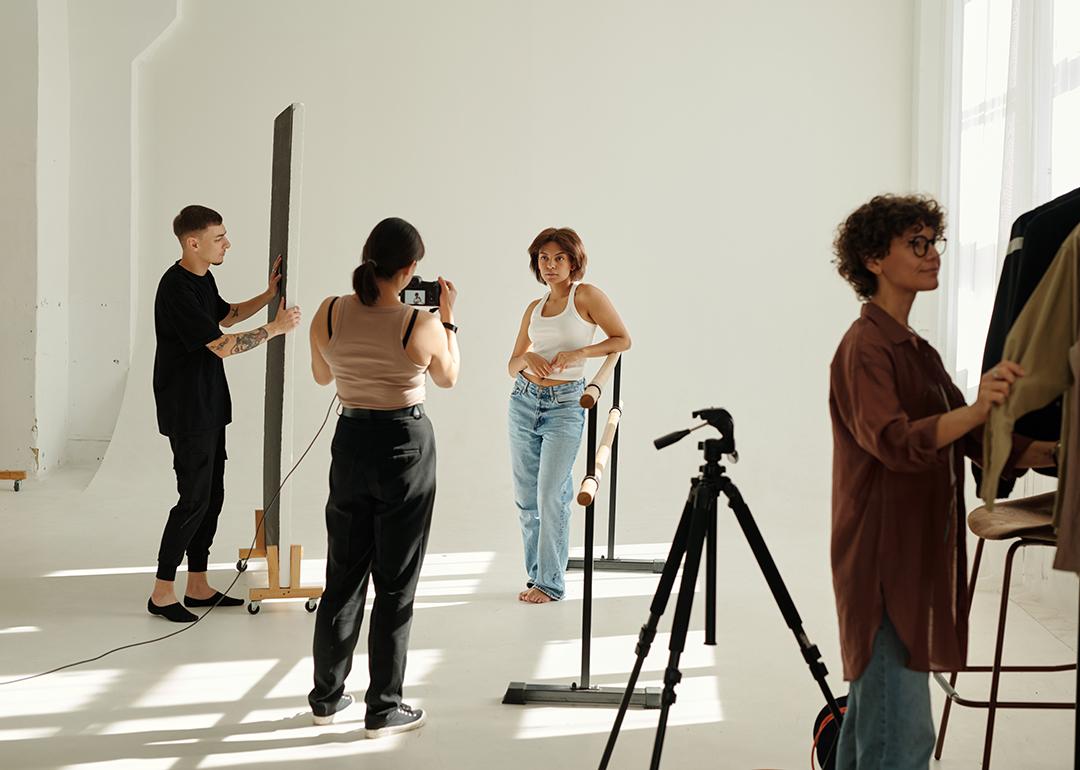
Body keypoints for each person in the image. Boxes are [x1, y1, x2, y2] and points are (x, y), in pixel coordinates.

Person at [828, 194, 1057, 768]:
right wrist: (980, 409)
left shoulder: (917, 351)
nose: (933, 256)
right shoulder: (865, 349)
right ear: (875, 259)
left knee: (870, 731)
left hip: (915, 553)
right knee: (900, 741)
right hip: (883, 560)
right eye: (918, 244)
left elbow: (974, 440)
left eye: (936, 243)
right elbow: (896, 441)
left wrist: (1053, 450)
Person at [307, 217, 459, 737]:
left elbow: (323, 374)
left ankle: (327, 697)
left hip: (350, 443)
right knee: (395, 584)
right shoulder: (421, 324)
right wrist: (448, 320)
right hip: (404, 448)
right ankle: (383, 706)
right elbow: (448, 376)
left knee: (343, 578)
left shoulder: (329, 312)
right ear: (412, 268)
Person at [149, 205, 301, 623]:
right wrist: (277, 328)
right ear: (192, 242)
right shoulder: (176, 289)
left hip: (210, 403)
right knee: (193, 499)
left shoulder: (202, 277)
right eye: (219, 238)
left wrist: (268, 297)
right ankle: (162, 591)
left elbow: (226, 313)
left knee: (212, 497)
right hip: (188, 408)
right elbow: (222, 345)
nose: (227, 244)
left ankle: (197, 584)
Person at [506, 227, 631, 604]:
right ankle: (538, 576)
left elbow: (621, 339)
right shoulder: (534, 307)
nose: (550, 265)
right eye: (544, 258)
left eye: (559, 258)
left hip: (565, 404)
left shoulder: (587, 295)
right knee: (527, 497)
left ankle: (550, 583)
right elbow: (511, 365)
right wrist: (526, 358)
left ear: (573, 261)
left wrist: (581, 355)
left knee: (551, 494)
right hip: (524, 399)